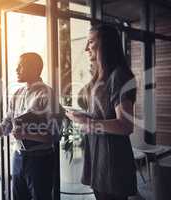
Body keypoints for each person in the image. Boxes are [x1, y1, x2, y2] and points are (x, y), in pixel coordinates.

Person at [0, 52, 63, 200]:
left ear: (34, 68)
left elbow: (55, 134)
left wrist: (26, 135)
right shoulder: (17, 94)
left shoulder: (47, 94)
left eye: (21, 66)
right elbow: (6, 125)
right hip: (18, 158)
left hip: (40, 160)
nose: (16, 69)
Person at [66, 24, 137, 200]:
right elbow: (102, 114)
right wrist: (84, 116)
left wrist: (88, 123)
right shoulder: (100, 77)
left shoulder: (119, 76)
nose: (85, 48)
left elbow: (126, 125)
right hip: (99, 157)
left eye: (90, 42)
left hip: (113, 162)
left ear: (105, 44)